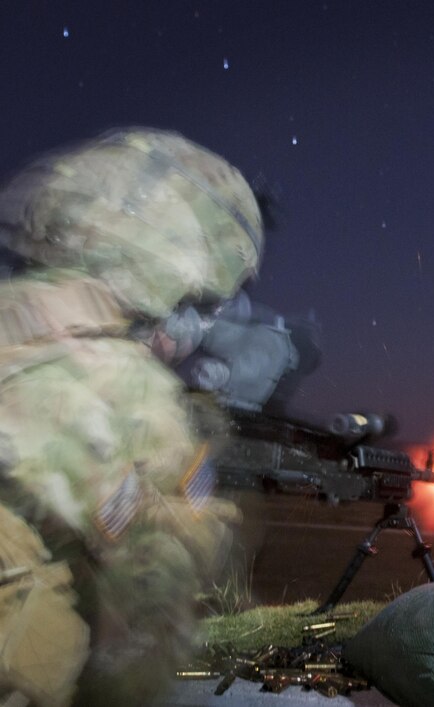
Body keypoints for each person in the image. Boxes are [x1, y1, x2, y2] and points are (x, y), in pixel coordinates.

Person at [0, 127, 263, 705]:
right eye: (194, 303)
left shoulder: (19, 317)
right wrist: (199, 496)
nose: (194, 324)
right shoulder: (118, 380)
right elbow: (150, 598)